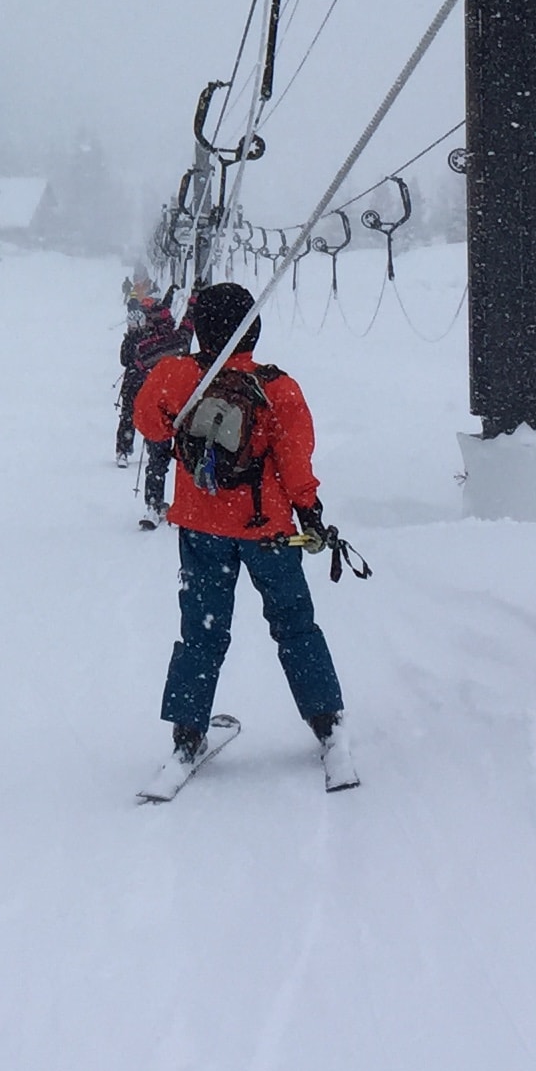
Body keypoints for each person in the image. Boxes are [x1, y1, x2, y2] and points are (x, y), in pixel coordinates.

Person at [131, 282, 359, 792]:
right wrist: (311, 515)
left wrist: (183, 381)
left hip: (202, 527)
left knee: (201, 633)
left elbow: (149, 423)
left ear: (203, 329)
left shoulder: (178, 376)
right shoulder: (278, 388)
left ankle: (187, 736)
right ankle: (328, 726)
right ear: (253, 329)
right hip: (268, 532)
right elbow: (295, 464)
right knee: (295, 626)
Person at [114, 277, 188, 526]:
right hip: (180, 406)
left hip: (156, 409)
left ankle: (153, 505)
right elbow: (188, 326)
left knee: (157, 459)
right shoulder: (178, 342)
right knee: (186, 456)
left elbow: (129, 360)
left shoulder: (145, 346)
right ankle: (182, 505)